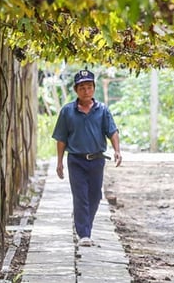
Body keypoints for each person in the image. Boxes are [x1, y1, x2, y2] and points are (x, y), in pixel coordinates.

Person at [51, 69, 122, 247]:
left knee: (95, 196)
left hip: (97, 159)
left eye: (89, 87)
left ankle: (84, 224)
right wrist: (59, 162)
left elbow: (112, 131)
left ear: (94, 89)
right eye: (82, 87)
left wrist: (117, 150)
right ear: (76, 90)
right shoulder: (67, 111)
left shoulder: (102, 110)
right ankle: (84, 233)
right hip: (76, 160)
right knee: (80, 195)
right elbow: (61, 138)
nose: (86, 91)